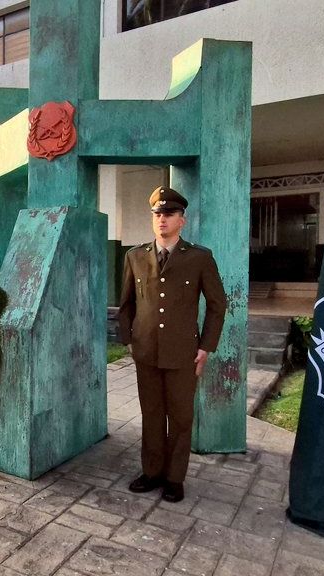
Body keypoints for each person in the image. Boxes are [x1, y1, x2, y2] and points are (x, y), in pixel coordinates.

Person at [117, 185, 226, 503]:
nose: (162, 219)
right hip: (146, 351)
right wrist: (128, 340)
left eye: (169, 214)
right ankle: (151, 472)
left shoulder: (199, 258)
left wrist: (206, 347)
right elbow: (126, 304)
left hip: (183, 353)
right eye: (158, 214)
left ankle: (175, 478)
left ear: (182, 220)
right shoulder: (135, 256)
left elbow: (218, 305)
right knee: (151, 413)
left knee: (180, 417)